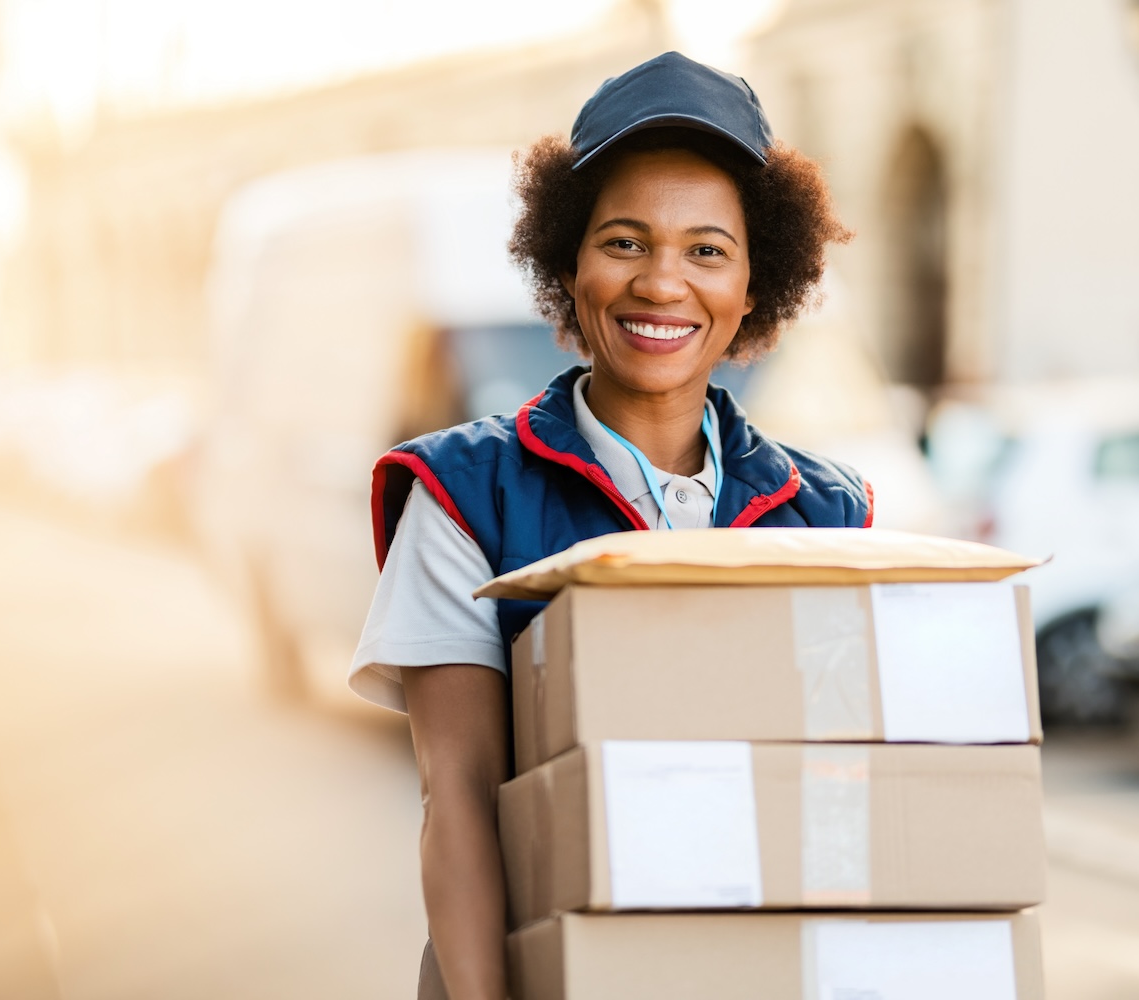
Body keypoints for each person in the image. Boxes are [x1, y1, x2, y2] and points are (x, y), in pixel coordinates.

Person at [349, 52, 872, 1000]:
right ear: (567, 264)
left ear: (756, 285)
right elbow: (458, 800)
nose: (662, 283)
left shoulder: (827, 513)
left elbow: (841, 803)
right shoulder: (467, 492)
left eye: (707, 250)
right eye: (625, 242)